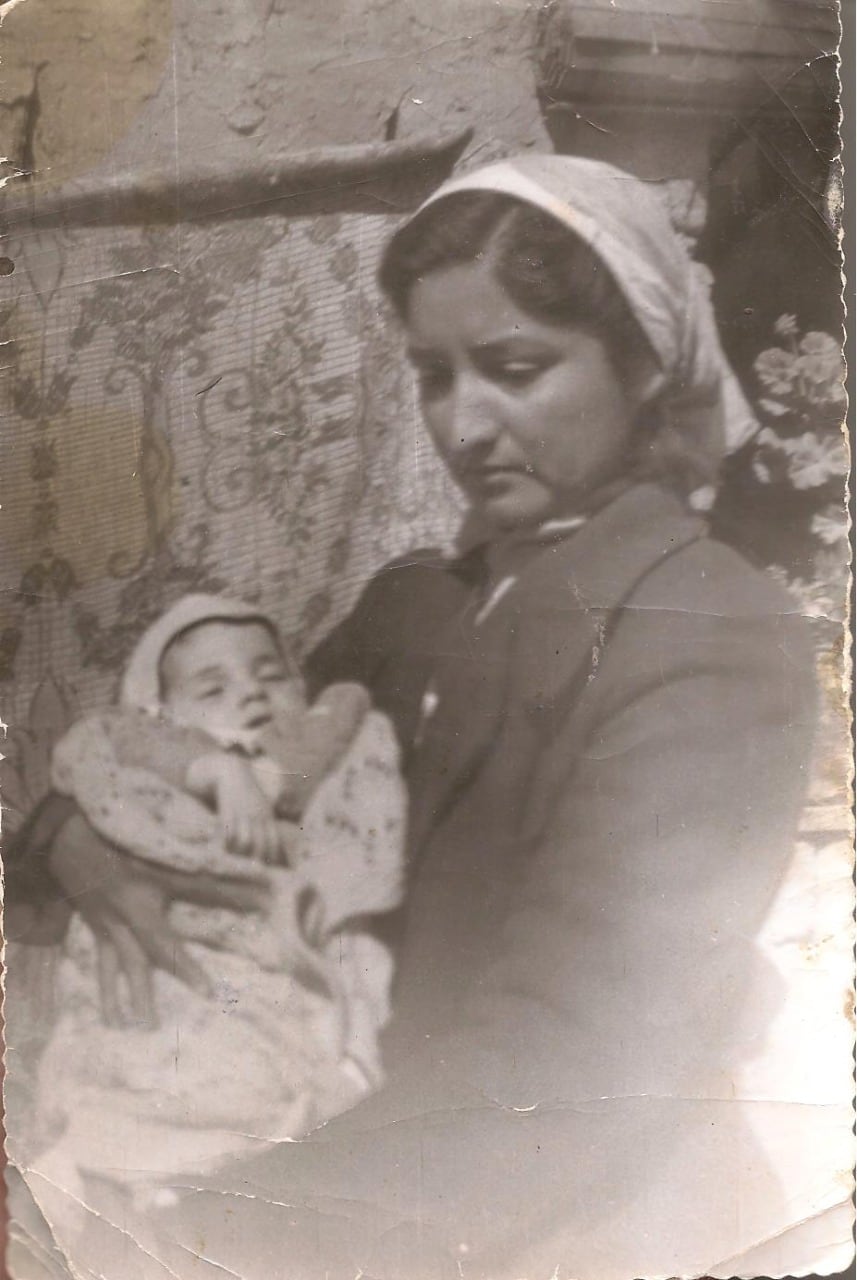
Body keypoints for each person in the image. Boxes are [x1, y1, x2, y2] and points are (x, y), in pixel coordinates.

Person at [7, 155, 818, 1279]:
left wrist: (205, 1229)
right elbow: (218, 767)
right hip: (347, 1168)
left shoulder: (706, 631)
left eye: (514, 367)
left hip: (559, 1221)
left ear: (640, 366)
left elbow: (567, 1063)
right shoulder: (415, 604)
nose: (461, 423)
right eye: (433, 374)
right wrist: (71, 839)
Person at [9, 594, 406, 1238]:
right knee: (130, 1056)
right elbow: (92, 750)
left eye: (270, 676)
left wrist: (357, 1051)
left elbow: (347, 935)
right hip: (148, 993)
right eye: (213, 687)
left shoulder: (318, 795)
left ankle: (156, 1185)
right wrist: (214, 769)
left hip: (262, 1008)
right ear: (160, 715)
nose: (250, 694)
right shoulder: (138, 767)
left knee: (260, 1092)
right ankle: (101, 1171)